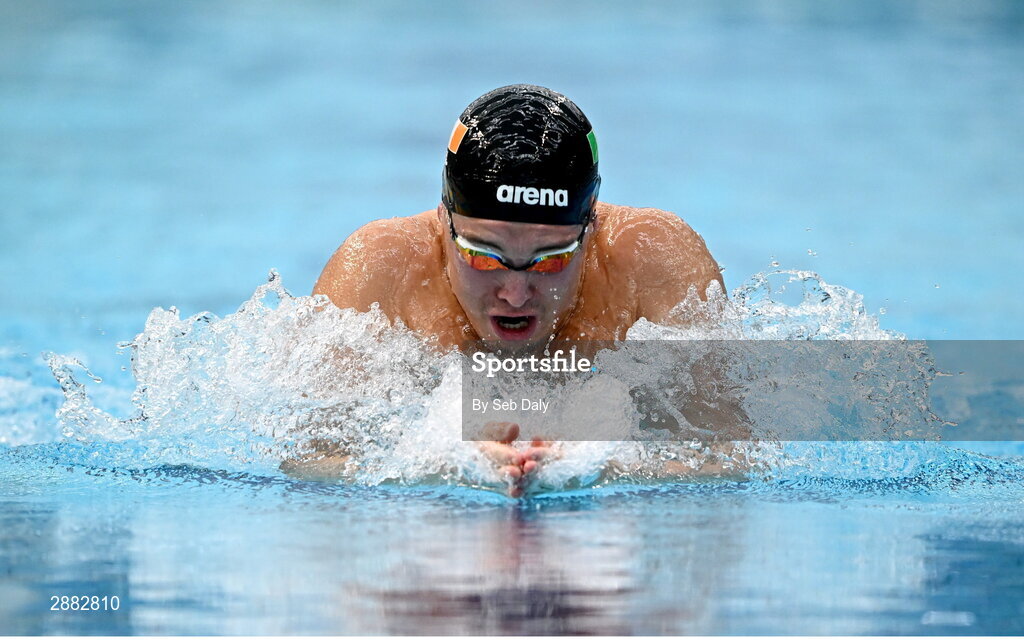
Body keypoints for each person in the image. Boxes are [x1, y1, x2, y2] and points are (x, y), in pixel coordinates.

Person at [308, 84, 728, 496]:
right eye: (484, 257)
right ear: (443, 217)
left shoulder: (652, 261)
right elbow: (311, 460)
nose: (514, 294)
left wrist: (602, 464)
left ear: (591, 226)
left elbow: (732, 458)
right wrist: (444, 462)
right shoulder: (381, 271)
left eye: (550, 260)